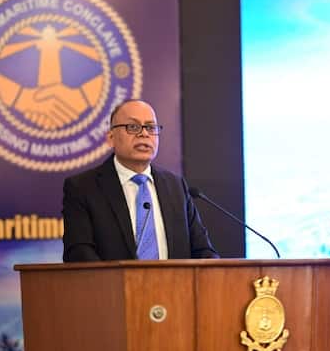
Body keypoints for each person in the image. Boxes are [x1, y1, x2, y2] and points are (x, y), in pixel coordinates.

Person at [62, 99, 218, 262]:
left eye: (150, 127)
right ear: (111, 138)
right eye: (133, 127)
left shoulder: (176, 186)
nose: (144, 134)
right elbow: (79, 253)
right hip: (112, 280)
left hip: (175, 279)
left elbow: (203, 250)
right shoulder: (83, 188)